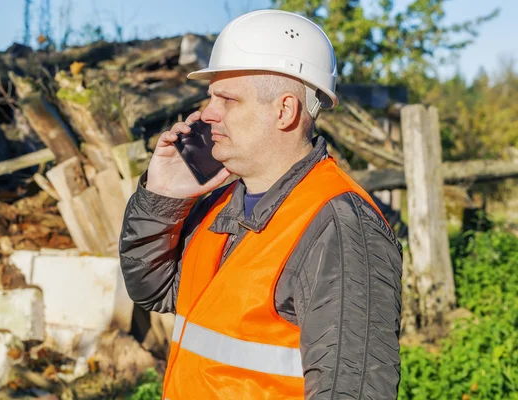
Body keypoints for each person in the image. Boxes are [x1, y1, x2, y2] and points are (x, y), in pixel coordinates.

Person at [119, 9, 402, 400]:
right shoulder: (223, 202)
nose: (207, 114)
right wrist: (162, 196)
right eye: (210, 97)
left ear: (284, 110)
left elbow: (353, 389)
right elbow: (154, 290)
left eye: (227, 99)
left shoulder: (339, 226)